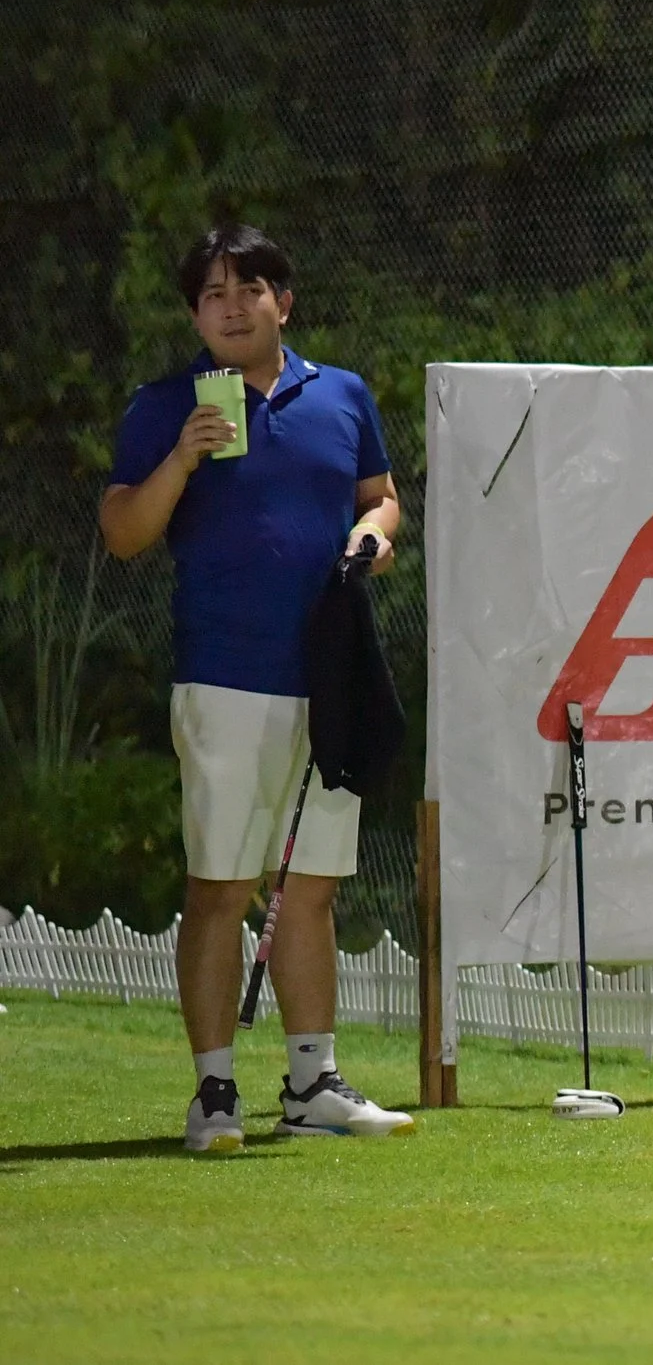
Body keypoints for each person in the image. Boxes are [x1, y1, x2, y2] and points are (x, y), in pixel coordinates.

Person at [101, 225, 415, 1152]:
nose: (231, 307)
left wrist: (373, 536)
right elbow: (123, 532)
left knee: (312, 888)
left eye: (249, 289)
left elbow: (381, 496)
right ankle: (214, 1098)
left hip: (328, 678)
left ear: (285, 300)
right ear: (195, 315)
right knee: (222, 889)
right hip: (224, 678)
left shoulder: (343, 395)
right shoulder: (168, 406)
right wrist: (185, 457)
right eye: (211, 295)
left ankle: (313, 1084)